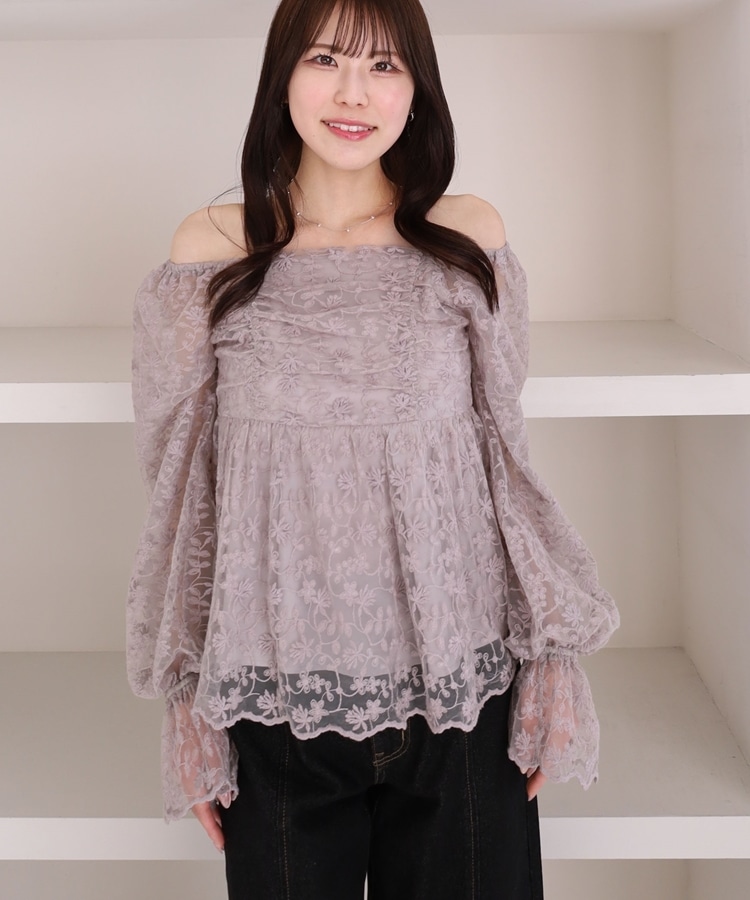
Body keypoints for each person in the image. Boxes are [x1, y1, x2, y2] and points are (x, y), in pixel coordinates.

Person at [127, 0, 619, 897]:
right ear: (282, 75)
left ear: (417, 89)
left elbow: (503, 465)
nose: (354, 93)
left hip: (464, 700)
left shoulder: (468, 236)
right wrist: (189, 701)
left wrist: (551, 664)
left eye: (384, 66)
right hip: (275, 706)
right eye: (326, 59)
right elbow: (184, 494)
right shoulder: (209, 251)